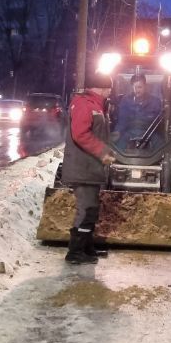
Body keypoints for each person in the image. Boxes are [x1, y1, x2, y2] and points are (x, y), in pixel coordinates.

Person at [62, 71, 114, 265]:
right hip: (82, 167)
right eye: (108, 88)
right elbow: (80, 134)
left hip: (90, 167)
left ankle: (86, 247)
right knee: (86, 210)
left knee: (91, 209)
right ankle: (74, 253)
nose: (110, 92)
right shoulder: (85, 104)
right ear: (99, 88)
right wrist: (102, 151)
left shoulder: (96, 106)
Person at [116, 74, 163, 148]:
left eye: (139, 87)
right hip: (129, 132)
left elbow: (159, 123)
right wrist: (117, 132)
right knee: (118, 148)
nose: (137, 90)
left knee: (161, 148)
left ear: (145, 86)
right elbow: (122, 121)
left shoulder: (155, 102)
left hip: (150, 133)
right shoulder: (125, 101)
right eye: (134, 87)